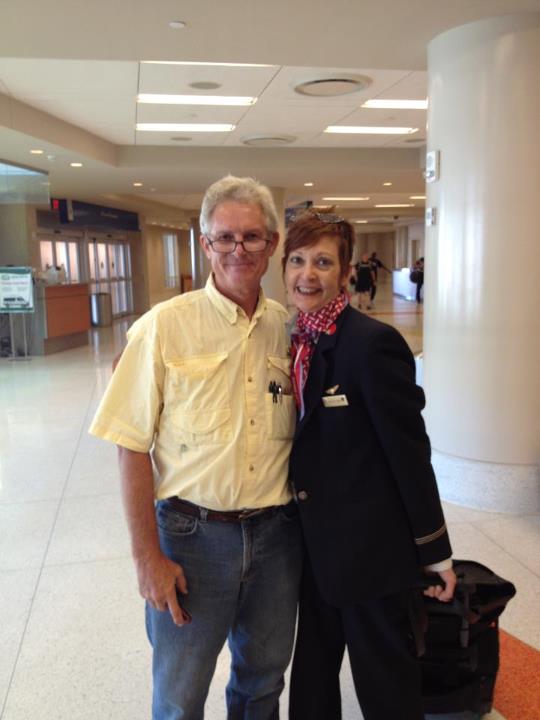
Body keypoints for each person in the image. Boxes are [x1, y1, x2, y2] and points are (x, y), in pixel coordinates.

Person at [89, 175, 302, 720]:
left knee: (263, 682)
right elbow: (129, 445)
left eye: (252, 237)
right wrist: (147, 558)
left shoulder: (289, 329)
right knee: (180, 695)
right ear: (205, 244)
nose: (238, 250)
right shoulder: (164, 327)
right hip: (191, 539)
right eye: (224, 237)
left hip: (277, 538)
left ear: (272, 244)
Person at [282, 211, 456, 720]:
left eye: (322, 262)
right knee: (312, 677)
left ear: (345, 271)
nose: (307, 275)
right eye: (297, 260)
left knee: (385, 685)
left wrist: (435, 552)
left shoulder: (371, 344)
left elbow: (410, 455)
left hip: (370, 554)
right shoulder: (292, 338)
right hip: (311, 547)